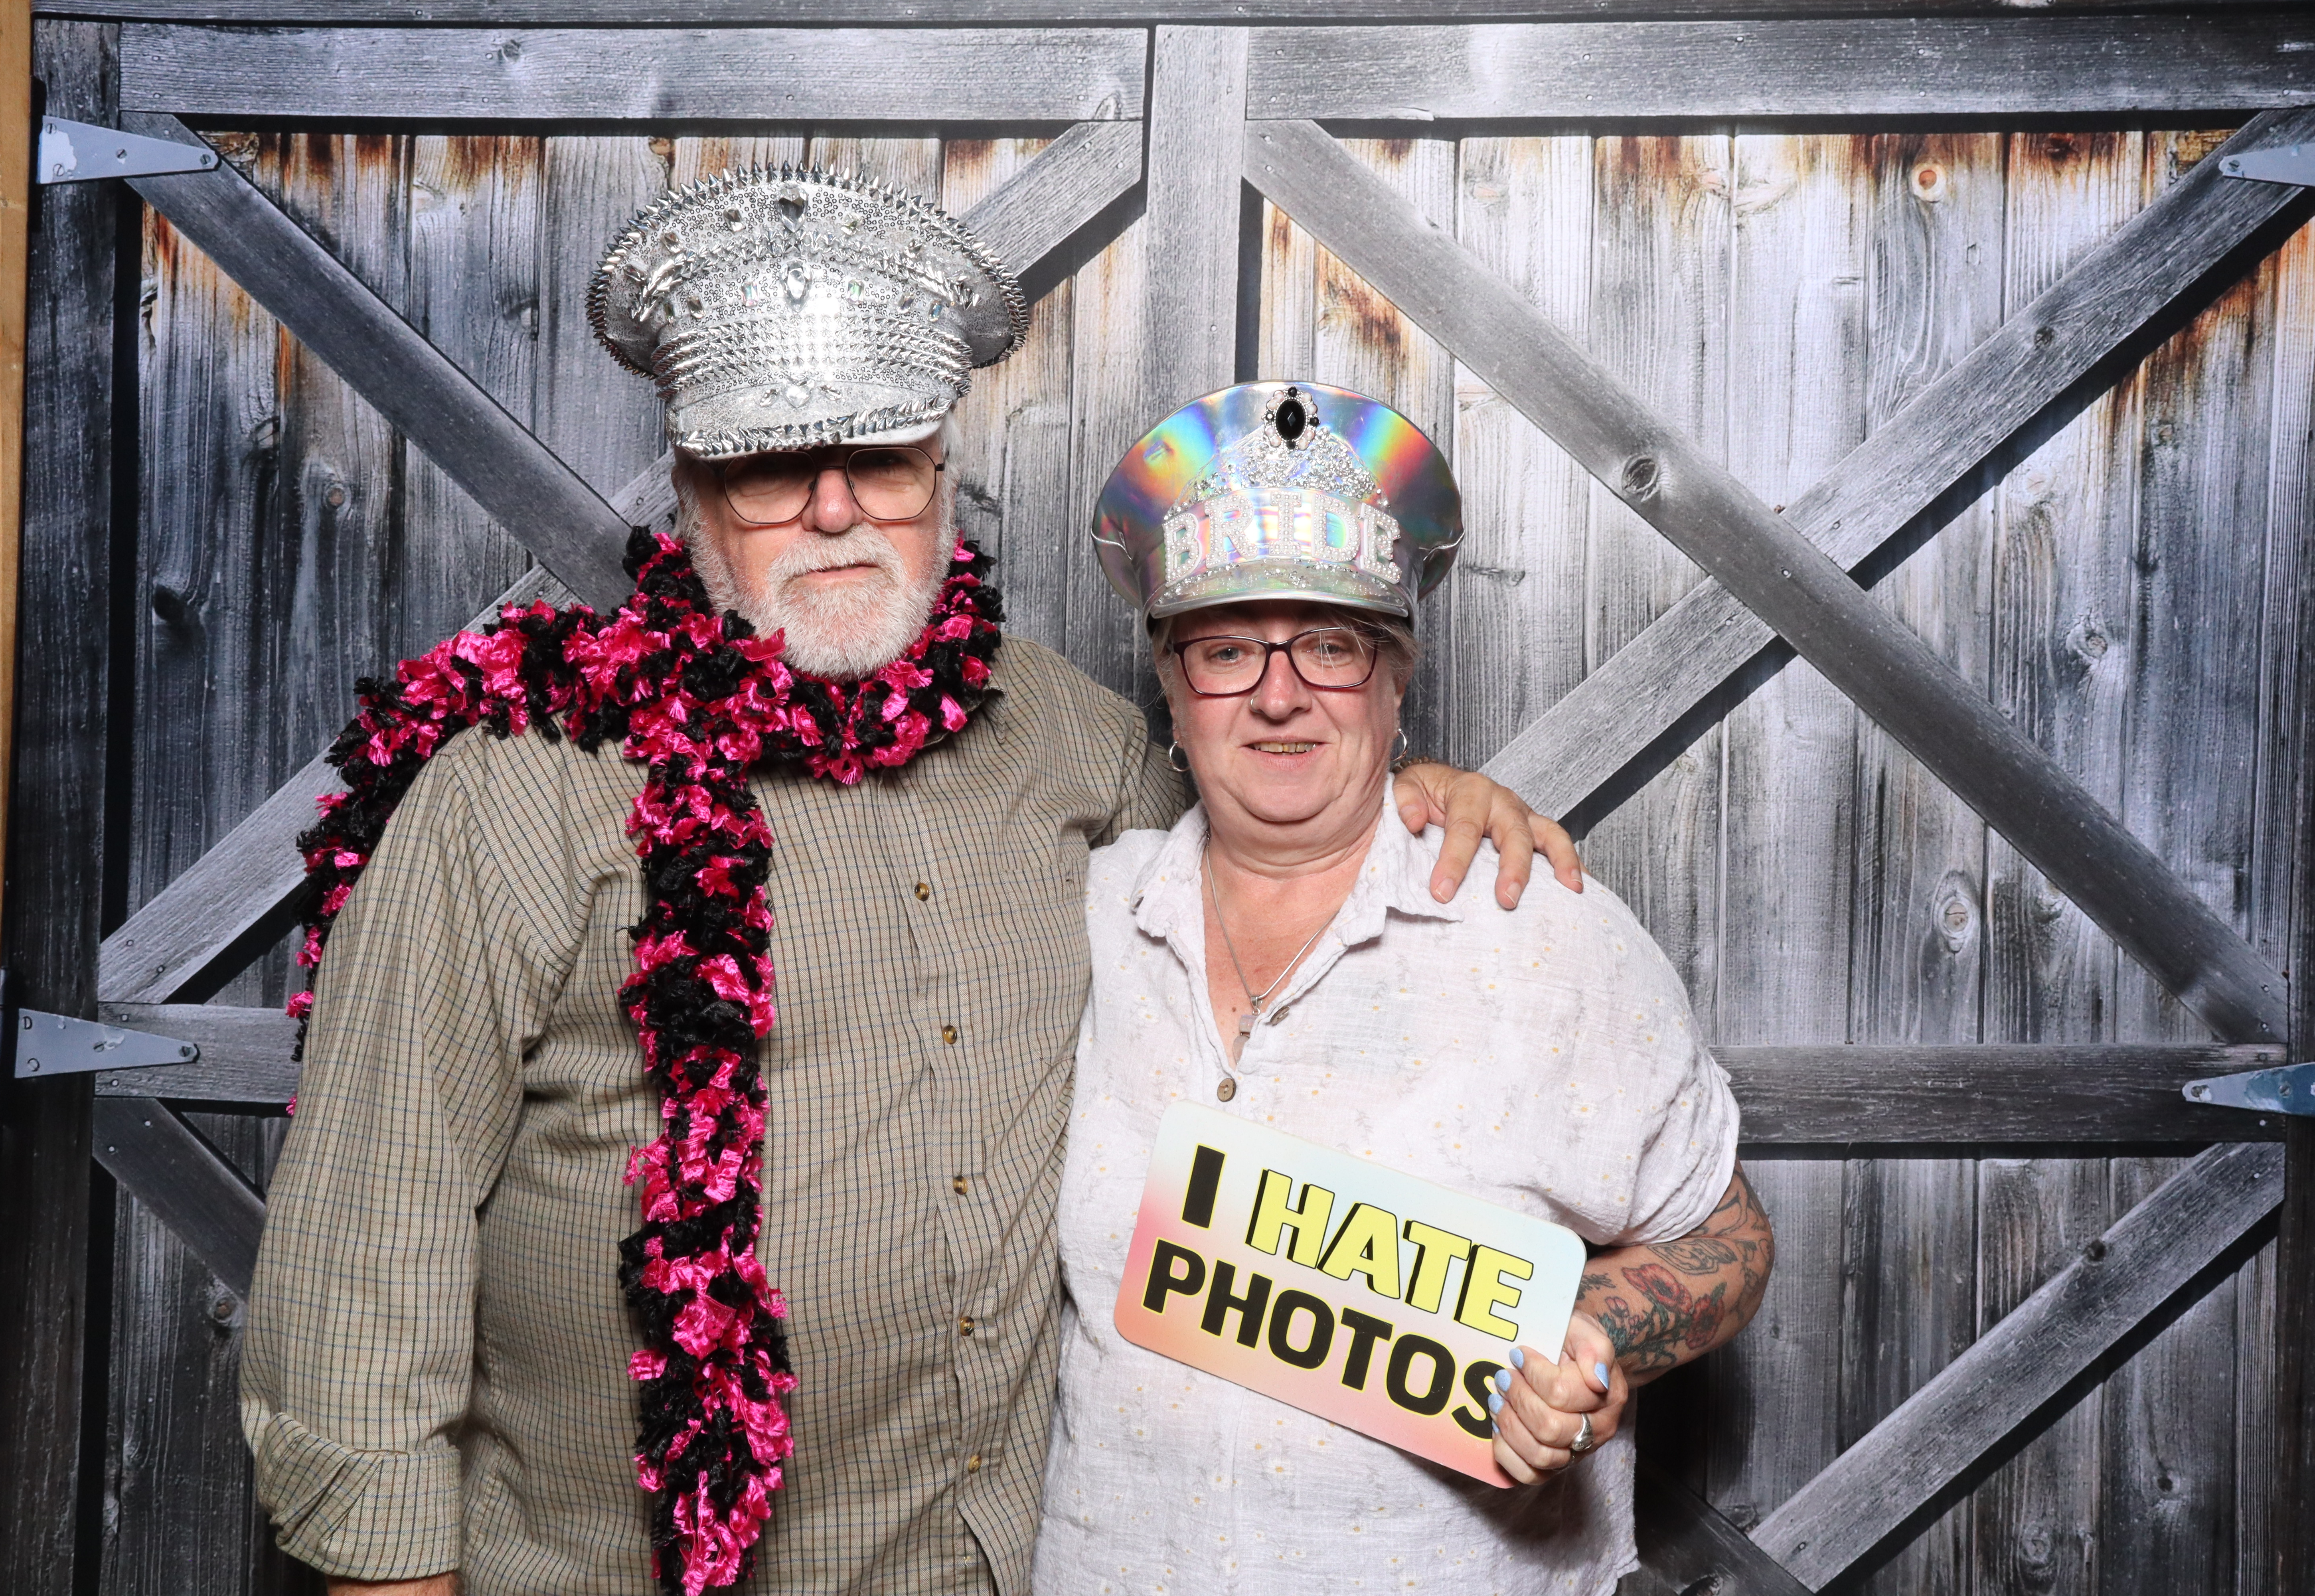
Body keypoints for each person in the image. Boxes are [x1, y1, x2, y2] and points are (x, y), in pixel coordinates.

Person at [239, 170, 1578, 1596]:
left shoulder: (1061, 735)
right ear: (695, 488)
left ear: (941, 467)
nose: (835, 514)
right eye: (771, 467)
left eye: (881, 458)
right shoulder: (516, 787)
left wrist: (1411, 789)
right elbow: (363, 1275)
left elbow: (1263, 835)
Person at [1037, 383, 1774, 1595]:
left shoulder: (1537, 923)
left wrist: (1595, 1344)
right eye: (1226, 651)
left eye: (1329, 644)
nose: (1280, 695)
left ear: (1395, 676)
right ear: (1170, 687)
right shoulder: (1091, 913)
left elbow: (1725, 1232)